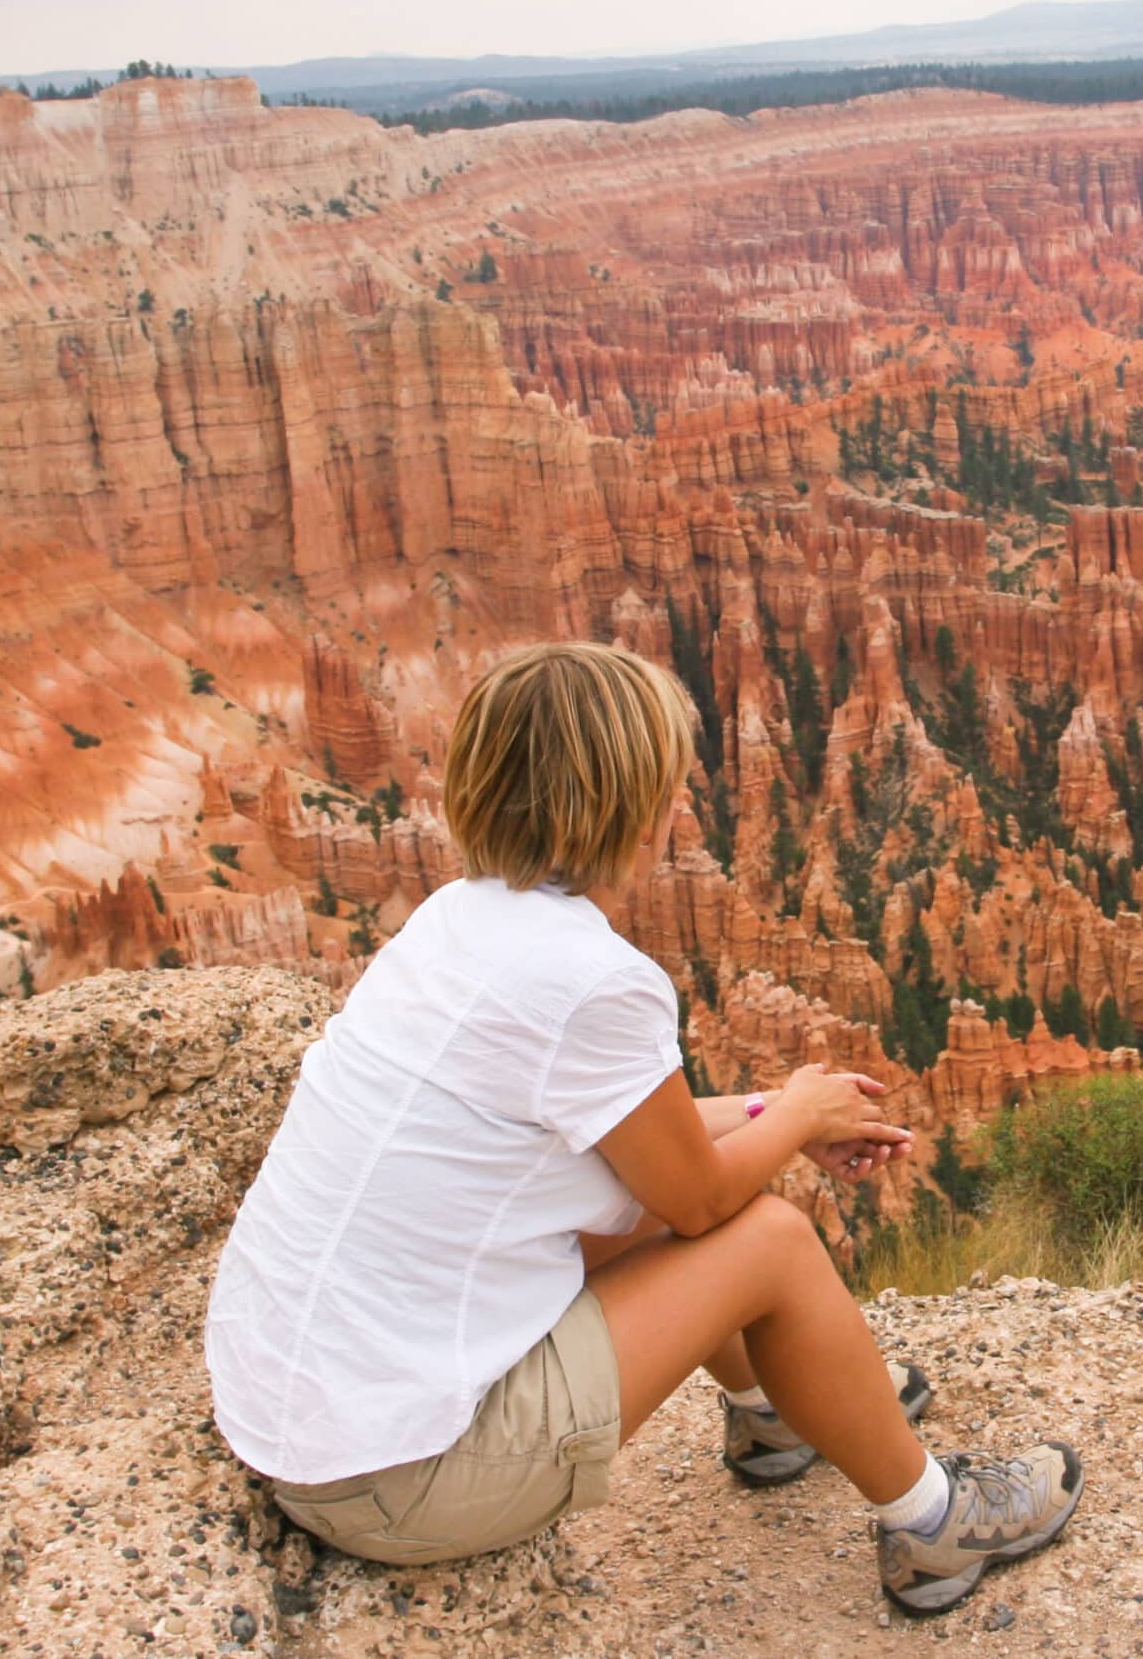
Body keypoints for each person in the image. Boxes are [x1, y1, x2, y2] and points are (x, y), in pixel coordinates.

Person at [203, 641, 1080, 1616]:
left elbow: (633, 1140)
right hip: (404, 1478)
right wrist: (792, 1119)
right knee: (768, 1241)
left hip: (305, 1417)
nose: (681, 806)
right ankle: (931, 1522)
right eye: (668, 781)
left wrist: (775, 1113)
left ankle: (776, 1418)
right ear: (629, 801)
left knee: (654, 1211)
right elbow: (700, 1196)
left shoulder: (457, 920)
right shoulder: (591, 979)